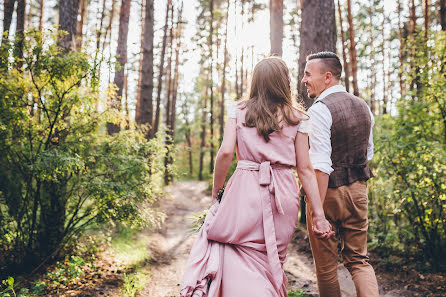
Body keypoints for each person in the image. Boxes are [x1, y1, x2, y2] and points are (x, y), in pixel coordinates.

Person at [180, 56, 334, 297]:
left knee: (236, 251)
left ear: (256, 81)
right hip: (283, 193)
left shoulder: (239, 110)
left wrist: (216, 194)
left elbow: (225, 153)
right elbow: (305, 169)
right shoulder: (299, 118)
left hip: (244, 187)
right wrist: (319, 216)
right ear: (285, 83)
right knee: (272, 258)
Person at [301, 51, 379, 297]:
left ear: (327, 77)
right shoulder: (363, 106)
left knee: (325, 269)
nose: (304, 80)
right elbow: (368, 153)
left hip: (327, 193)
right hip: (358, 192)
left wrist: (318, 211)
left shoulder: (319, 110)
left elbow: (321, 166)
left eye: (307, 74)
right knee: (359, 260)